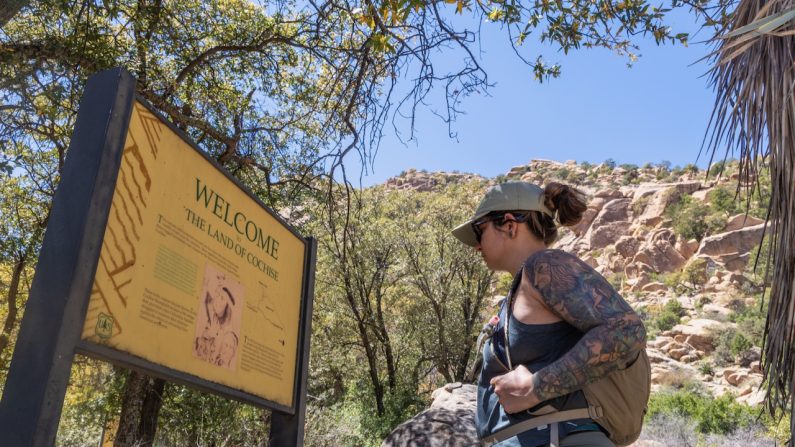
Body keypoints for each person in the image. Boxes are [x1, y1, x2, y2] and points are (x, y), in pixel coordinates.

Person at [451, 181, 647, 447]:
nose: (476, 245)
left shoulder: (544, 265)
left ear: (509, 225)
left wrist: (535, 387)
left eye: (479, 230)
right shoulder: (521, 287)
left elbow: (627, 330)